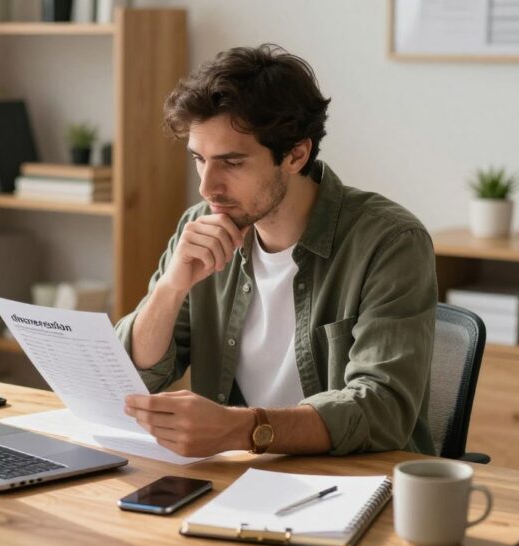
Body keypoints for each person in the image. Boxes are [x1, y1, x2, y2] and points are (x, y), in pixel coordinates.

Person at [115, 44, 437, 458]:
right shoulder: (201, 226)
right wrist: (170, 288)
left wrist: (243, 429)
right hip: (238, 479)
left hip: (356, 483)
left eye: (231, 163)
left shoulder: (389, 242)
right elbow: (134, 379)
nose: (207, 187)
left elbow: (382, 408)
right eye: (199, 159)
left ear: (296, 154)